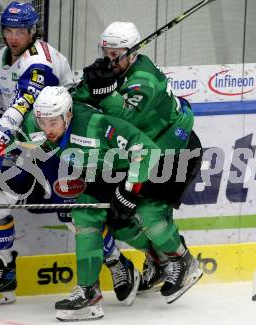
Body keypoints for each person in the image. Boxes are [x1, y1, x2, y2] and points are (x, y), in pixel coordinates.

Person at [0, 2, 138, 306]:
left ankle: (118, 263)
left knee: (72, 213)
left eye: (20, 31)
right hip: (30, 148)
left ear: (32, 31)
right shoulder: (1, 58)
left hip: (64, 147)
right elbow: (4, 89)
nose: (13, 37)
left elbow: (24, 99)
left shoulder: (41, 63)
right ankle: (5, 272)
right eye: (8, 30)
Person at [17, 86, 200, 321]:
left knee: (146, 213)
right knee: (84, 216)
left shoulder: (95, 124)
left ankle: (181, 259)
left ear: (69, 115)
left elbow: (146, 150)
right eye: (43, 122)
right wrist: (3, 176)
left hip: (158, 161)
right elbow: (17, 147)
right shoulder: (35, 124)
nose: (48, 129)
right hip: (105, 169)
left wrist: (129, 191)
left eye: (54, 122)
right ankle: (88, 293)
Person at [73, 22, 203, 296]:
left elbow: (128, 116)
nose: (109, 59)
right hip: (139, 155)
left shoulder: (145, 79)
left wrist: (103, 91)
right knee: (117, 215)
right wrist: (86, 86)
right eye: (105, 52)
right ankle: (157, 261)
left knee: (149, 213)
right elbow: (79, 99)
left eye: (115, 53)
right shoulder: (113, 68)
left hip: (173, 152)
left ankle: (183, 261)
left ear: (131, 53)